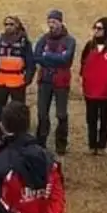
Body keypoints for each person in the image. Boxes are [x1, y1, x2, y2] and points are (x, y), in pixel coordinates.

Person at [32, 9, 76, 155]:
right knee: (42, 113)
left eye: (54, 22)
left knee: (61, 114)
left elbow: (66, 59)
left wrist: (47, 55)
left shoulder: (70, 40)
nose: (51, 25)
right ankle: (41, 142)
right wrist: (54, 57)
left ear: (61, 22)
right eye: (49, 22)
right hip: (44, 80)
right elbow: (37, 56)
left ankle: (61, 144)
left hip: (61, 82)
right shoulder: (43, 39)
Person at [0, 15, 36, 141]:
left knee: (18, 113)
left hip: (17, 82)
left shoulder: (24, 42)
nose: (8, 27)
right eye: (6, 24)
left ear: (17, 26)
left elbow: (31, 62)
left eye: (11, 24)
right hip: (0, 81)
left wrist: (27, 79)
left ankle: (19, 137)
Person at [79, 17, 107, 155]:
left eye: (99, 28)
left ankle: (101, 146)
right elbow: (83, 64)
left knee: (105, 119)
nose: (96, 31)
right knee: (91, 118)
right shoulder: (90, 45)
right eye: (94, 28)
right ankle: (92, 144)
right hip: (90, 90)